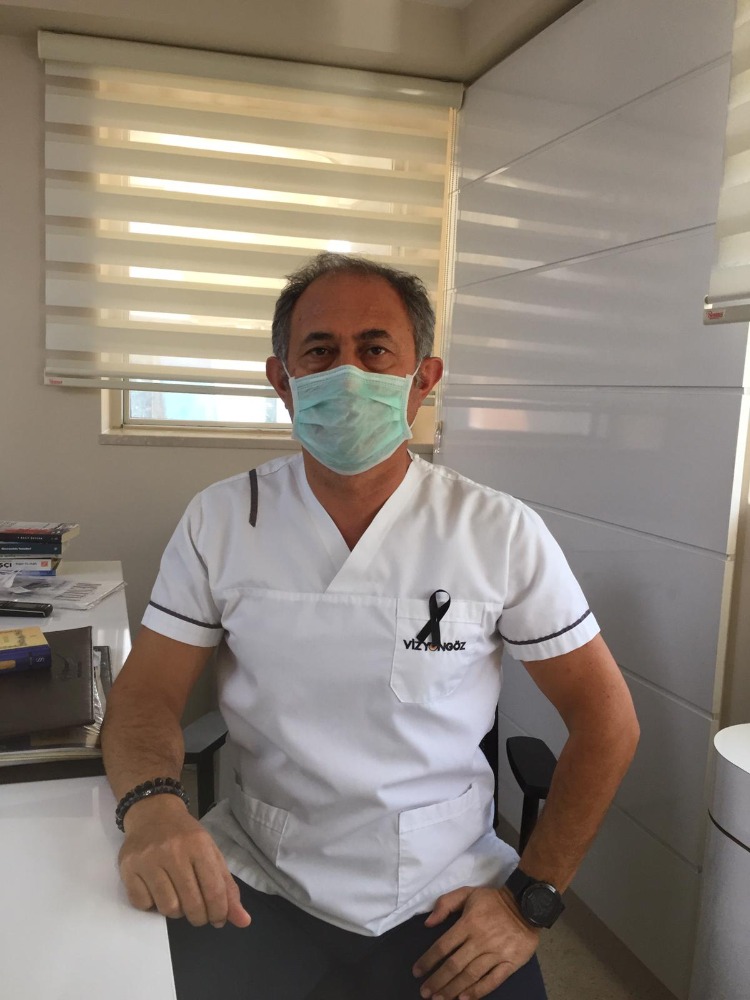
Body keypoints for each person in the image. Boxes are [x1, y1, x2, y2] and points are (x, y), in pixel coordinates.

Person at [102, 252, 640, 1000]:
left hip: (447, 891)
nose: (348, 373)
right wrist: (153, 806)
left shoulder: (497, 531)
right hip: (260, 877)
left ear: (423, 379)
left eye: (376, 349)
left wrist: (531, 900)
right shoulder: (222, 520)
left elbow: (607, 720)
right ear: (282, 380)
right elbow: (144, 697)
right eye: (320, 351)